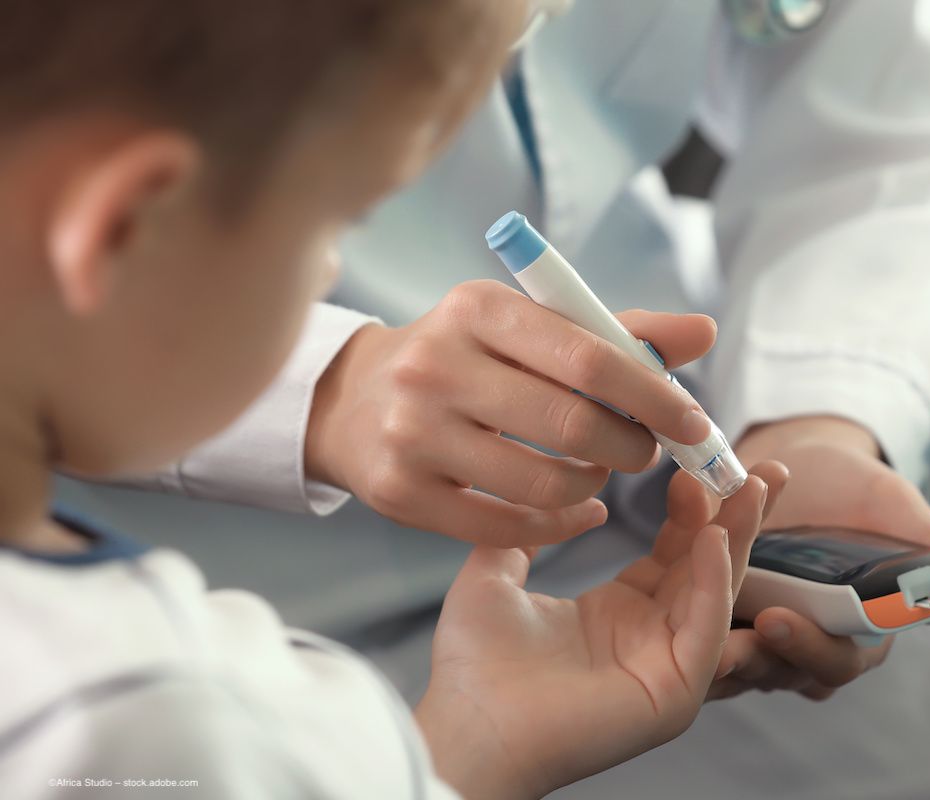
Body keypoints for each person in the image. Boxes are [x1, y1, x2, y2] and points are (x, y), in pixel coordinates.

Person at [55, 0, 930, 795]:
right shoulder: (144, 721)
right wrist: (325, 386)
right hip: (356, 596)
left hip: (732, 360)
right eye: (346, 222)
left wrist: (819, 413)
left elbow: (877, 113)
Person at [0, 0, 789, 796]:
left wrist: (474, 743)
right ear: (128, 228)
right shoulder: (158, 723)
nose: (331, 273)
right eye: (340, 222)